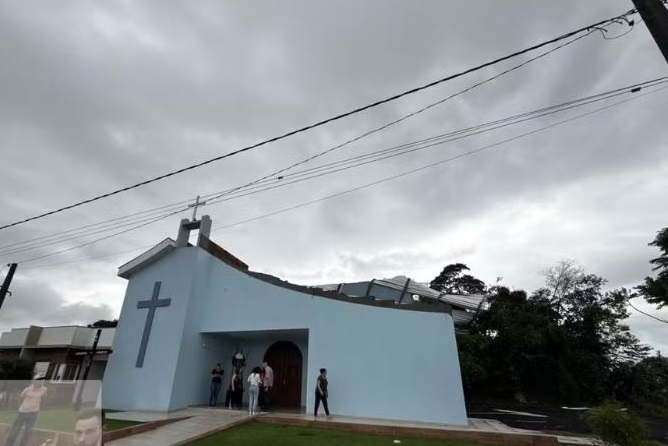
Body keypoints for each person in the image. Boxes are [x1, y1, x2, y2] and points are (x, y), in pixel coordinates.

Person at [4, 375, 48, 446]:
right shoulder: (27, 390)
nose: (40, 382)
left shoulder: (44, 389)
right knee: (15, 430)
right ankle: (8, 444)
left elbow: (44, 397)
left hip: (33, 414)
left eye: (41, 381)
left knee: (28, 432)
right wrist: (21, 407)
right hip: (22, 413)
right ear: (34, 381)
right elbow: (20, 398)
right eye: (38, 380)